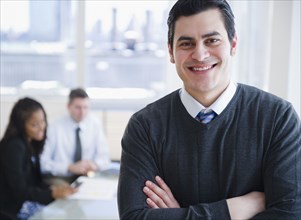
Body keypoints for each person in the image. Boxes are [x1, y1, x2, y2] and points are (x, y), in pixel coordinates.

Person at [117, 0, 301, 219]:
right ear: (171, 52)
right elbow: (134, 217)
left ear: (233, 44)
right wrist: (233, 210)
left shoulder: (277, 118)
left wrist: (180, 215)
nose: (200, 54)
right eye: (186, 44)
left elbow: (290, 215)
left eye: (212, 40)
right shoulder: (145, 127)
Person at [0, 97, 76, 220]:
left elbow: (33, 182)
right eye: (34, 125)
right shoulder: (13, 147)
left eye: (43, 121)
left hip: (26, 202)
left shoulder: (31, 143)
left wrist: (53, 189)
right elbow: (19, 190)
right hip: (13, 208)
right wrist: (52, 193)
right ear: (21, 125)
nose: (42, 127)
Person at [40, 88, 111, 183]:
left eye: (85, 107)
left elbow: (105, 158)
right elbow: (44, 163)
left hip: (87, 176)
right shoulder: (54, 126)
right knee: (66, 193)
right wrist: (70, 167)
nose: (82, 112)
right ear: (68, 106)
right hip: (61, 178)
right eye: (78, 107)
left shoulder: (95, 124)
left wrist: (95, 165)